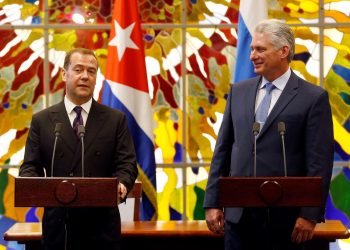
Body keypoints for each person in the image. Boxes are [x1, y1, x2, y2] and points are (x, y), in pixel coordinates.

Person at [203, 19, 334, 250]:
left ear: (284, 51)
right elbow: (222, 150)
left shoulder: (313, 98)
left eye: (260, 49)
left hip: (288, 221)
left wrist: (310, 215)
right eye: (252, 49)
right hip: (239, 219)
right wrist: (212, 203)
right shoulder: (238, 92)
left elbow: (319, 162)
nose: (252, 55)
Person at [20, 48, 138, 250]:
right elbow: (30, 167)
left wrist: (123, 183)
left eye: (91, 71)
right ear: (64, 74)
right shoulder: (43, 120)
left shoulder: (114, 119)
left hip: (102, 228)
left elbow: (127, 164)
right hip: (58, 228)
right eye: (78, 69)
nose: (85, 76)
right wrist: (33, 186)